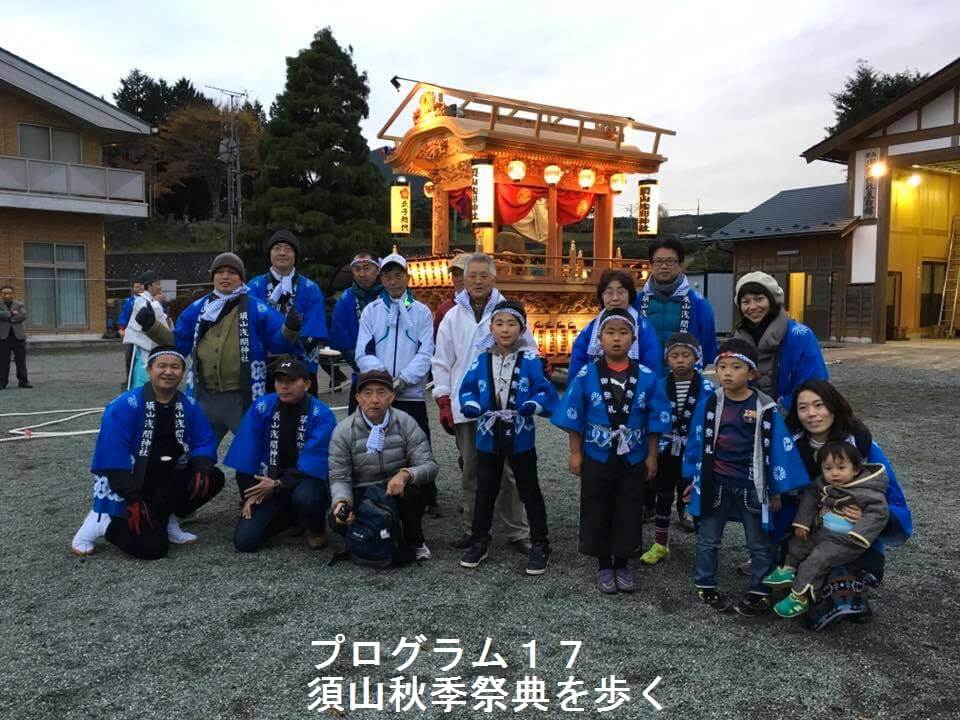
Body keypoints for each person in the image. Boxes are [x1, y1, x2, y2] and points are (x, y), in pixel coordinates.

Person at [683, 338, 810, 616]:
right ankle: (705, 582)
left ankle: (760, 588)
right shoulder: (710, 404)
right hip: (715, 482)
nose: (727, 373)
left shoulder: (765, 406)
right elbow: (695, 441)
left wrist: (775, 491)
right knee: (708, 538)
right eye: (722, 366)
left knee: (758, 541)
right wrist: (692, 479)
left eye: (736, 367)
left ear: (751, 373)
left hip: (754, 485)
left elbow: (778, 449)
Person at [552, 308, 672, 594]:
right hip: (597, 451)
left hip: (634, 454)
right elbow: (573, 414)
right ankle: (604, 564)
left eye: (623, 333)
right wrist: (575, 452)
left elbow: (657, 418)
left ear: (633, 339)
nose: (616, 339)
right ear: (600, 338)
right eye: (610, 332)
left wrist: (652, 455)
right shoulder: (586, 373)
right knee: (596, 505)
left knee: (630, 506)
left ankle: (623, 563)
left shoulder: (646, 375)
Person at [70, 347, 224, 559]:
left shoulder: (188, 404)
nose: (168, 372)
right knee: (152, 549)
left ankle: (167, 516)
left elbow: (203, 439)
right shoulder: (126, 404)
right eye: (162, 366)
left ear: (183, 372)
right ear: (150, 369)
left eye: (175, 367)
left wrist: (202, 464)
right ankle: (103, 522)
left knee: (212, 477)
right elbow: (112, 451)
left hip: (166, 477)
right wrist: (130, 495)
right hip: (134, 481)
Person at [785, 379, 912, 628]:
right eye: (803, 408)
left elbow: (890, 494)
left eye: (818, 405)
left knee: (834, 564)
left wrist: (866, 515)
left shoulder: (860, 443)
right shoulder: (790, 444)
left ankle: (848, 594)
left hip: (851, 532)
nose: (811, 414)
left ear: (833, 407)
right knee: (793, 556)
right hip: (809, 525)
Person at [137, 252, 301, 443]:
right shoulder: (197, 308)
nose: (225, 276)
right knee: (196, 451)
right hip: (204, 396)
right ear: (212, 277)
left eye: (232, 272)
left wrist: (290, 329)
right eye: (220, 272)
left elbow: (277, 344)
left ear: (241, 278)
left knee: (255, 451)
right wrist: (152, 327)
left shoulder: (258, 308)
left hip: (244, 397)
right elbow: (178, 346)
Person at [432, 253, 536, 553]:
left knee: (510, 471)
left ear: (494, 278)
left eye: (483, 275)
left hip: (505, 404)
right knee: (472, 469)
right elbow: (441, 361)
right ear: (463, 279)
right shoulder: (452, 315)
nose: (477, 281)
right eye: (472, 275)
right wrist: (443, 399)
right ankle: (474, 528)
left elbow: (529, 350)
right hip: (467, 404)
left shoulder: (509, 313)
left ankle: (517, 530)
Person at [458, 301, 559, 574]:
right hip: (488, 434)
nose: (505, 329)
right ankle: (480, 540)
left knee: (529, 489)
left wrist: (534, 405)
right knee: (485, 489)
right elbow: (466, 389)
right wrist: (472, 405)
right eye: (499, 323)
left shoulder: (530, 360)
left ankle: (540, 543)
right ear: (491, 328)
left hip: (520, 432)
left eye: (511, 324)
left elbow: (544, 391)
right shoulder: (481, 360)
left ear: (522, 328)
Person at [764, 440, 889, 618]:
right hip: (823, 532)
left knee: (817, 559)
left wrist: (860, 533)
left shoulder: (868, 491)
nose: (834, 473)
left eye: (841, 467)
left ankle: (800, 596)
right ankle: (787, 569)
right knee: (799, 542)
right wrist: (803, 523)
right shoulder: (821, 484)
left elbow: (879, 513)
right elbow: (810, 497)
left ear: (855, 469)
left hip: (846, 540)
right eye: (828, 468)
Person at [224, 357, 337, 552]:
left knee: (307, 497)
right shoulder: (262, 406)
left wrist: (277, 484)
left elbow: (315, 463)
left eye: (291, 381)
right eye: (280, 381)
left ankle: (315, 527)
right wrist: (250, 493)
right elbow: (246, 454)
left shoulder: (321, 414)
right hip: (269, 480)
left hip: (305, 481)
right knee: (245, 541)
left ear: (307, 384)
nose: (284, 387)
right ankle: (292, 518)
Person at [328, 370, 438, 560]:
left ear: (392, 396)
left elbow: (429, 465)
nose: (375, 399)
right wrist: (341, 502)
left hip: (394, 487)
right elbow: (339, 476)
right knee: (336, 518)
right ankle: (362, 538)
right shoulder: (343, 430)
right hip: (362, 489)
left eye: (381, 392)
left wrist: (405, 474)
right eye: (368, 393)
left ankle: (415, 541)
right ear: (358, 397)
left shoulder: (406, 422)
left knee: (414, 494)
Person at [640, 333, 715, 565]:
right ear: (666, 359)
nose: (680, 360)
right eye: (674, 355)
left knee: (697, 495)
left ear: (697, 357)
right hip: (667, 450)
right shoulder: (660, 385)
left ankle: (704, 546)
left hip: (695, 451)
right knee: (663, 494)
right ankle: (661, 543)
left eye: (686, 355)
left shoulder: (709, 387)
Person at [247, 229, 330, 395]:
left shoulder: (310, 289)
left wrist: (291, 356)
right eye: (277, 248)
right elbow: (249, 327)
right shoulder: (254, 287)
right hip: (264, 366)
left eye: (288, 249)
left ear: (295, 255)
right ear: (270, 254)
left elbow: (314, 329)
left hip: (301, 367)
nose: (282, 253)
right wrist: (270, 353)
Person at [732, 271, 827, 409]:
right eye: (745, 302)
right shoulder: (737, 340)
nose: (752, 307)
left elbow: (814, 382)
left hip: (793, 418)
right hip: (748, 419)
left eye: (759, 299)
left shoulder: (800, 335)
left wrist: (777, 415)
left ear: (772, 300)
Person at [635, 238, 718, 369]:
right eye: (658, 261)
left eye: (670, 261)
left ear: (680, 265)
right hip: (645, 379)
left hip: (685, 378)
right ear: (650, 265)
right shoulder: (637, 301)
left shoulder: (698, 303)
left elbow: (708, 347)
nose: (663, 266)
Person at [568, 269, 662, 379]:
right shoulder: (591, 328)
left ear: (630, 295)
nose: (615, 298)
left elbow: (652, 364)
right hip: (596, 389)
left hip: (636, 388)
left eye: (621, 292)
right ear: (601, 296)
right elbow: (577, 364)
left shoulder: (643, 327)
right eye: (609, 293)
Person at [329, 250, 383, 414]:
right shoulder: (346, 299)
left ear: (377, 270)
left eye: (366, 268)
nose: (362, 273)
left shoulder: (390, 295)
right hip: (360, 373)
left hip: (391, 373)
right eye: (357, 269)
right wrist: (366, 367)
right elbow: (342, 340)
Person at [122, 271, 168, 389]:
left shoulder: (152, 300)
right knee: (142, 378)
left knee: (153, 375)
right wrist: (157, 302)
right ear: (150, 286)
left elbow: (162, 320)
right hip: (143, 346)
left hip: (154, 346)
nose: (160, 286)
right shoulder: (140, 300)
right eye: (157, 284)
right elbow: (147, 314)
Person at [0, 284, 31, 389]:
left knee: (21, 360)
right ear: (1, 294)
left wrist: (6, 317)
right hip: (3, 338)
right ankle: (2, 383)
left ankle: (23, 382)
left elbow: (23, 316)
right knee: (3, 361)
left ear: (13, 294)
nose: (7, 295)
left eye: (9, 293)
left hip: (18, 337)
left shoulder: (19, 304)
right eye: (4, 293)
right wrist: (11, 313)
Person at [433, 252, 468, 339]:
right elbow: (436, 341)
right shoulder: (443, 309)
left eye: (463, 274)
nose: (459, 279)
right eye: (455, 275)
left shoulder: (487, 305)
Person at [117, 280, 142, 379]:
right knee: (130, 356)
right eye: (136, 287)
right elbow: (124, 316)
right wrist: (121, 328)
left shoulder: (149, 301)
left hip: (145, 333)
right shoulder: (129, 302)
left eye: (139, 287)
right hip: (132, 332)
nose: (138, 289)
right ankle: (129, 378)